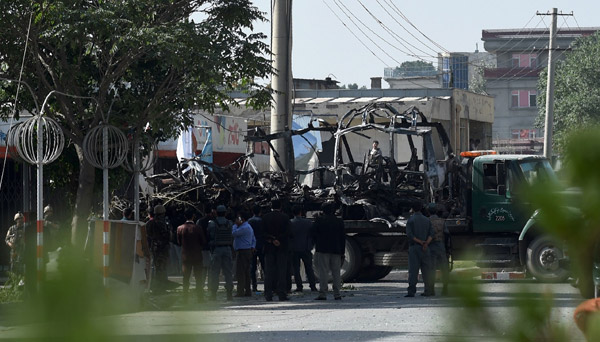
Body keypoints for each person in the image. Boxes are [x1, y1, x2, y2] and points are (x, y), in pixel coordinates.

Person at [312, 202, 345, 300]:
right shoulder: (339, 221)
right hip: (336, 249)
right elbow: (342, 238)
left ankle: (323, 293)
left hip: (323, 249)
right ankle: (337, 293)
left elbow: (313, 233)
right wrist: (342, 251)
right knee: (336, 272)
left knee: (323, 272)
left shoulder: (319, 221)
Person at [261, 199, 291, 301]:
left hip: (269, 248)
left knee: (269, 272)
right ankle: (282, 294)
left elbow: (262, 233)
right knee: (281, 272)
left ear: (271, 206)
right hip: (282, 247)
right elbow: (288, 233)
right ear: (280, 207)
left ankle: (268, 294)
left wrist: (272, 239)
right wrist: (278, 240)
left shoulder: (265, 217)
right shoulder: (285, 217)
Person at [177, 207, 207, 303]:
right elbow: (203, 241)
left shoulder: (180, 228)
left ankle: (185, 297)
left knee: (186, 278)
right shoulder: (198, 228)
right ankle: (200, 297)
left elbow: (178, 242)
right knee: (199, 277)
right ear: (193, 216)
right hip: (197, 256)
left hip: (186, 256)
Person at [405, 203, 434, 297]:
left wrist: (420, 242)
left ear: (412, 209)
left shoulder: (411, 220)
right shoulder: (427, 220)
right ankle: (428, 290)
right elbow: (431, 234)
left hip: (414, 247)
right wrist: (426, 243)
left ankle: (411, 291)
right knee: (427, 270)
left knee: (413, 270)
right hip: (426, 248)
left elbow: (410, 235)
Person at [207, 205, 234, 301]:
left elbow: (209, 235)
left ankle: (213, 294)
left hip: (217, 250)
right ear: (225, 213)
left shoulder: (212, 223)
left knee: (215, 272)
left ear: (216, 213)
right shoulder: (229, 223)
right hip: (227, 249)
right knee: (228, 273)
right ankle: (229, 294)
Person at [290, 205, 317, 292]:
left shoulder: (290, 223)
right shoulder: (308, 222)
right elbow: (312, 235)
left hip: (294, 248)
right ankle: (313, 286)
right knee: (309, 267)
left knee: (296, 269)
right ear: (301, 212)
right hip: (306, 247)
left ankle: (299, 286)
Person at [145, 204, 171, 294]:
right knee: (162, 269)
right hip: (162, 249)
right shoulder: (164, 223)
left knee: (155, 268)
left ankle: (155, 287)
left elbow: (147, 236)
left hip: (154, 248)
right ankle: (160, 288)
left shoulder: (149, 223)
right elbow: (169, 236)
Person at [426, 204, 450, 296]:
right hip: (441, 245)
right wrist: (447, 248)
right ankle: (445, 289)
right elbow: (447, 234)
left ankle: (431, 289)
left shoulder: (427, 221)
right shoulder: (442, 221)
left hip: (431, 245)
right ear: (436, 211)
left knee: (431, 268)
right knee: (444, 268)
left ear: (428, 211)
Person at [232, 210, 256, 297]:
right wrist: (252, 246)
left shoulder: (243, 228)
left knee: (240, 272)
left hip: (242, 251)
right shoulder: (248, 227)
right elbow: (254, 239)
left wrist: (235, 225)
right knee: (246, 272)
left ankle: (240, 291)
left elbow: (234, 233)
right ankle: (247, 290)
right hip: (248, 250)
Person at [195, 204, 215, 295]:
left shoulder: (199, 221)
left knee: (202, 269)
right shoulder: (213, 222)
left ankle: (201, 286)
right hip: (210, 248)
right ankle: (210, 287)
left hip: (201, 248)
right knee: (211, 269)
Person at [248, 205, 265, 292]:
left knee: (253, 267)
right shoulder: (262, 221)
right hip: (261, 245)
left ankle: (254, 286)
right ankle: (267, 285)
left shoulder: (249, 221)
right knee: (265, 267)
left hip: (252, 246)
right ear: (260, 212)